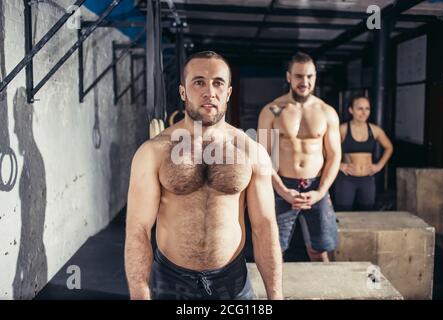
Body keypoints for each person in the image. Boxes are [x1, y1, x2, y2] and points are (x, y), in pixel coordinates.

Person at [124, 51, 283, 300]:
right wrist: (139, 294)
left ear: (228, 93)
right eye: (199, 82)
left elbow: (264, 226)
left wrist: (276, 296)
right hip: (170, 281)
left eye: (218, 83)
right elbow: (138, 229)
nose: (210, 92)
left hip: (232, 282)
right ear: (183, 92)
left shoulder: (251, 151)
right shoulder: (153, 152)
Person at [257, 52, 341, 262]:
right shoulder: (273, 110)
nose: (304, 81)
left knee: (320, 250)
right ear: (288, 77)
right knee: (275, 250)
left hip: (316, 186)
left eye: (309, 76)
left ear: (315, 77)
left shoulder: (326, 111)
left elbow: (334, 155)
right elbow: (263, 156)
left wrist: (320, 191)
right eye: (299, 76)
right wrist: (282, 190)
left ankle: (325, 295)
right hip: (281, 185)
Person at [334, 96, 393, 211]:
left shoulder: (375, 130)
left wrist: (379, 166)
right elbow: (325, 149)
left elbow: (389, 147)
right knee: (344, 213)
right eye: (360, 108)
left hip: (367, 180)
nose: (364, 112)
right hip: (347, 179)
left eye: (367, 109)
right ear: (351, 110)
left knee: (367, 213)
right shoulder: (342, 129)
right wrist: (339, 165)